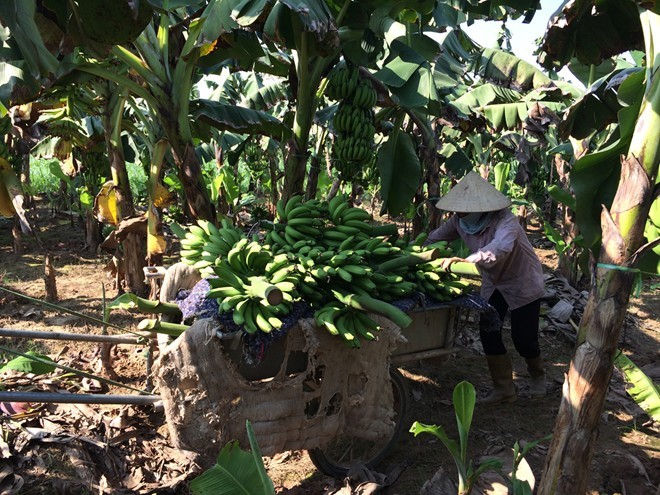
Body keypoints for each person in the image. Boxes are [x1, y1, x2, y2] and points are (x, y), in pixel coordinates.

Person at [425, 171, 546, 404]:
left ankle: (537, 376)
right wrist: (416, 252)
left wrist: (468, 261)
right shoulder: (459, 222)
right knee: (489, 331)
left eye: (465, 211)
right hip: (493, 283)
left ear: (481, 208)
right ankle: (504, 389)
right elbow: (435, 239)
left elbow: (500, 248)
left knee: (524, 338)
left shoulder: (506, 221)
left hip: (521, 281)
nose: (460, 215)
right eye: (457, 211)